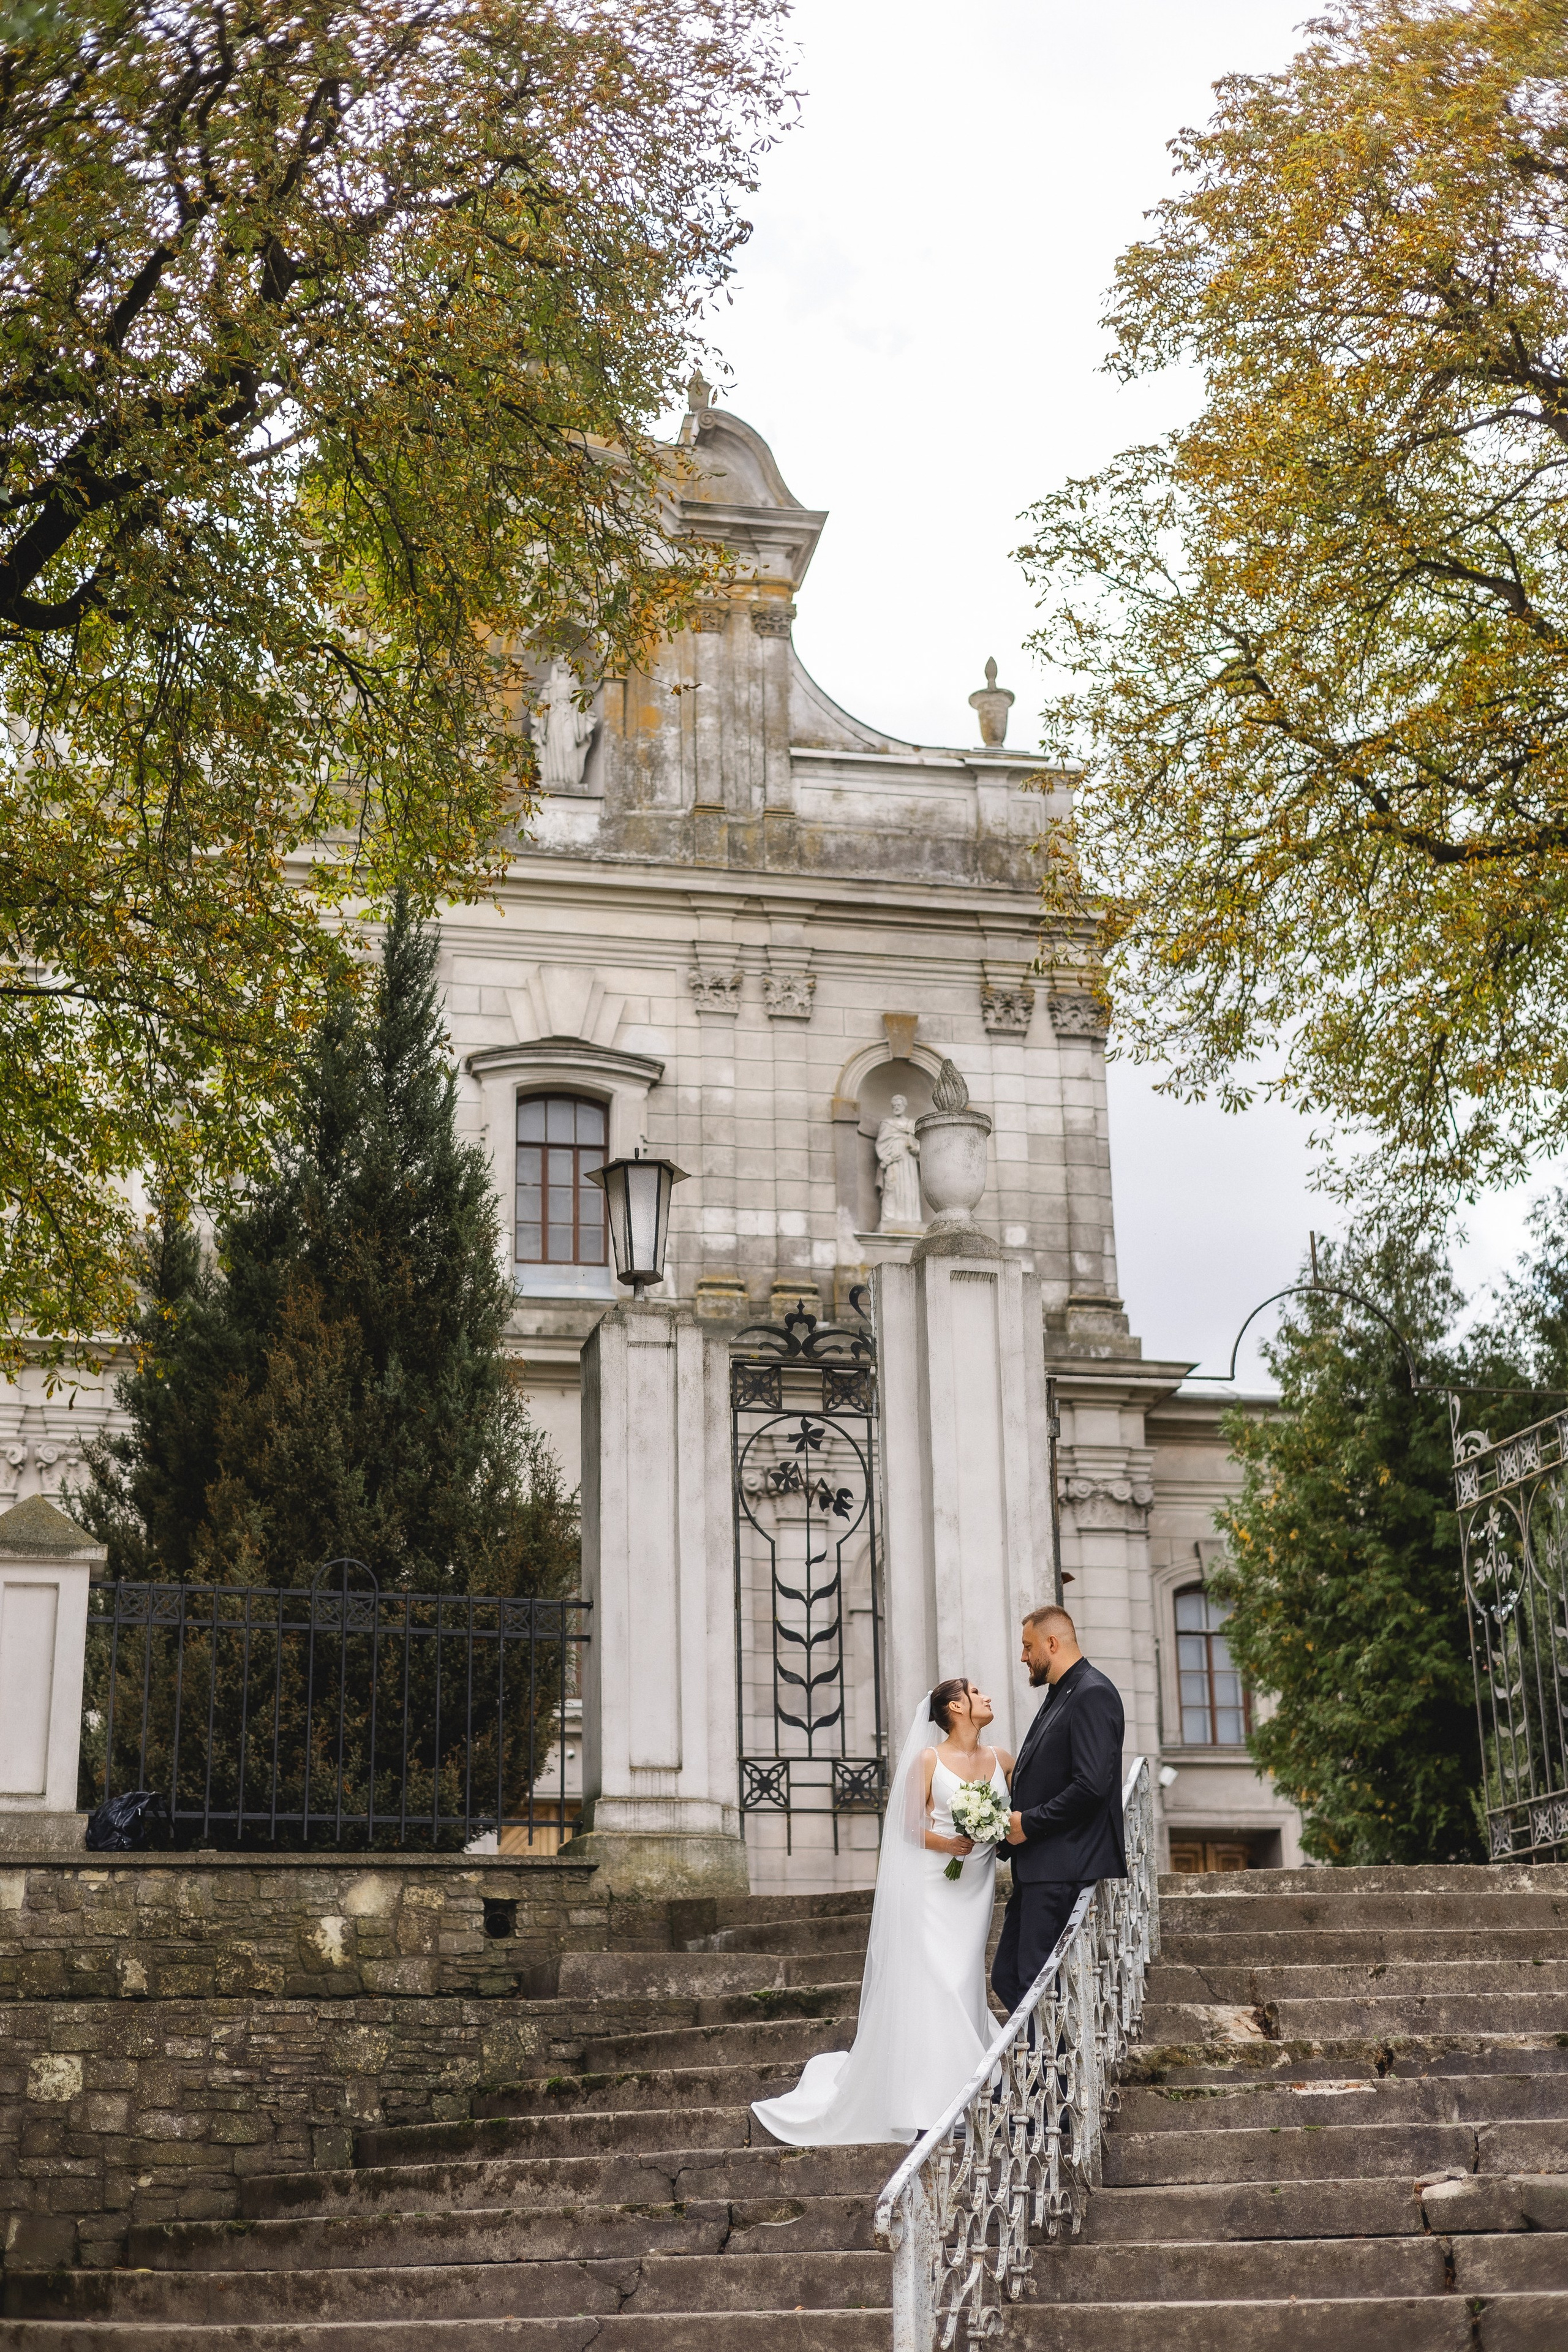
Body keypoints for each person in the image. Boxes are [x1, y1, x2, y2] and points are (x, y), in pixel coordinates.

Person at [752, 1677, 1014, 2146]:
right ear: (956, 1707)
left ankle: (960, 2087)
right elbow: (907, 1827)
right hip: (935, 1886)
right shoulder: (929, 1761)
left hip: (975, 1887)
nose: (988, 1697)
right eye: (977, 1693)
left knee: (965, 1977)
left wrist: (994, 1831)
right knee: (941, 1980)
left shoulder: (1004, 1760)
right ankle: (942, 2099)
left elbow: (1018, 1818)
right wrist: (948, 1841)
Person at [992, 1602, 1126, 2016]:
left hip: (1064, 1867)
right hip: (1040, 1868)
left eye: (1028, 1646)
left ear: (1052, 1642)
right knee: (1008, 1978)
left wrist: (1027, 1824)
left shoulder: (1093, 1693)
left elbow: (1091, 1786)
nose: (1023, 1657)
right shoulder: (1061, 1694)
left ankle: (1059, 2082)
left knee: (1036, 1985)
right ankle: (1049, 2074)